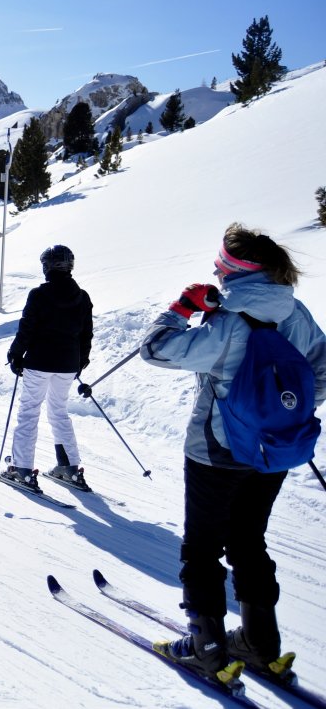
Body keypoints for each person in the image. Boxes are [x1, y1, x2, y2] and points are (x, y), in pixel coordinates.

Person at [142, 224, 326, 679]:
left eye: (221, 263)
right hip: (274, 450)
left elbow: (155, 350)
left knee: (201, 548)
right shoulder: (295, 312)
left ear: (238, 270)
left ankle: (206, 647)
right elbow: (322, 367)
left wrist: (180, 309)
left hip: (217, 451)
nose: (216, 269)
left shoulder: (228, 322)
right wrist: (282, 414)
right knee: (249, 540)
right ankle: (261, 643)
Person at [3, 245, 93, 489]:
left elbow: (27, 328)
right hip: (67, 365)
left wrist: (15, 354)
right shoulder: (82, 297)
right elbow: (86, 335)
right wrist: (80, 362)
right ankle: (69, 467)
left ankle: (21, 469)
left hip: (39, 363)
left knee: (29, 412)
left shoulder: (40, 295)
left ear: (47, 266)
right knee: (58, 412)